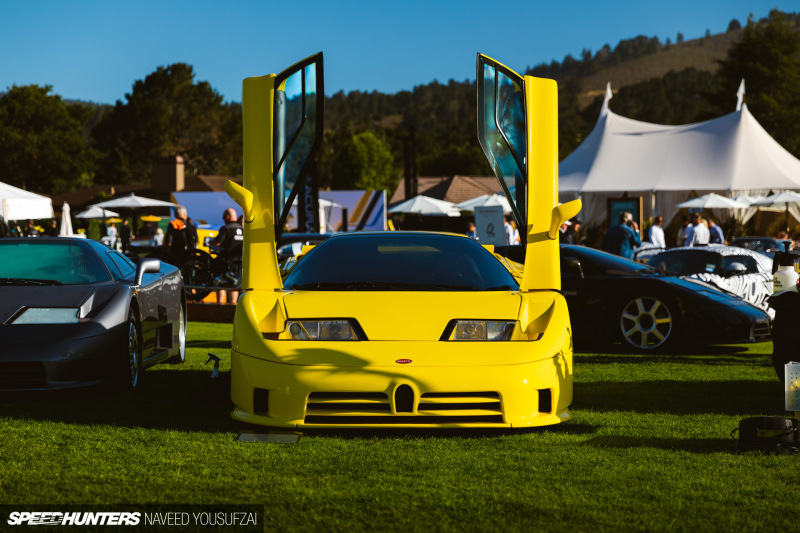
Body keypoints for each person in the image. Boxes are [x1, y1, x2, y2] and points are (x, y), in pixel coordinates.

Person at [211, 208, 244, 305]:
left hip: (226, 262)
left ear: (227, 217)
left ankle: (220, 305)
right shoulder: (243, 229)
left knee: (221, 283)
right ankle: (233, 306)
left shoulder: (226, 228)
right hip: (240, 263)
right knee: (235, 285)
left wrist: (211, 242)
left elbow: (217, 243)